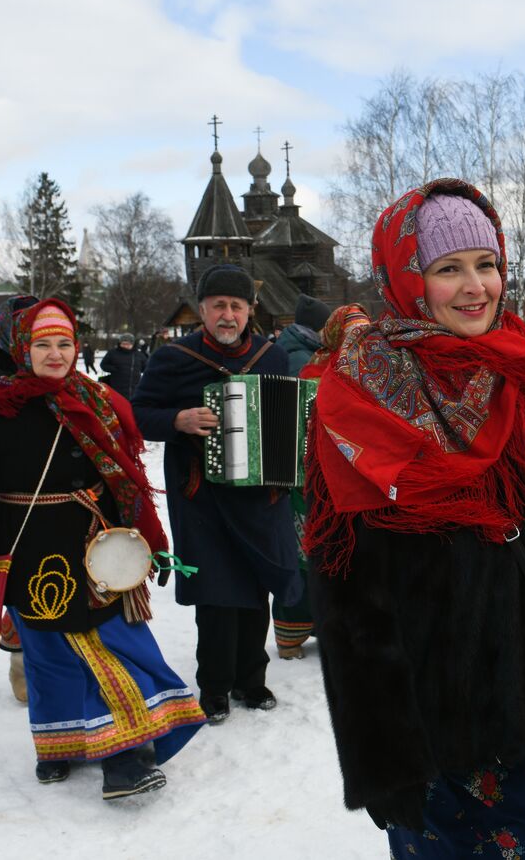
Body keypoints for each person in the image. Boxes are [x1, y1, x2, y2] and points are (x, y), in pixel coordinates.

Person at [303, 179, 525, 858]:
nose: (475, 287)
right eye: (446, 269)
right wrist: (382, 761)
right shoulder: (356, 400)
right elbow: (349, 599)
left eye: (486, 264)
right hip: (442, 738)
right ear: (406, 279)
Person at [0, 299, 204, 798]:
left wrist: (150, 541)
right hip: (31, 555)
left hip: (95, 549)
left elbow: (125, 479)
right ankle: (59, 745)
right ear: (21, 348)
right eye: (43, 344)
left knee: (116, 647)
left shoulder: (96, 399)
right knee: (49, 655)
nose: (56, 354)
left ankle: (125, 756)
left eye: (64, 343)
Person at [131, 264, 303, 723]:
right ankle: (215, 687)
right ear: (202, 309)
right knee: (216, 592)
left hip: (261, 495)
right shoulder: (174, 359)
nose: (228, 315)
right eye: (219, 305)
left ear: (250, 310)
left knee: (256, 585)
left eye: (237, 306)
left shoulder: (272, 356)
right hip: (201, 496)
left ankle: (253, 679)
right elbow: (139, 413)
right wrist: (178, 420)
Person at [269, 301, 365, 661]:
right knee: (308, 554)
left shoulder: (359, 366)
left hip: (345, 482)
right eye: (353, 334)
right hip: (310, 479)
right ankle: (295, 632)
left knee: (337, 557)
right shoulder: (310, 368)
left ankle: (331, 630)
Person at [276, 294, 331, 374]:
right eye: (326, 326)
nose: (328, 331)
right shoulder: (300, 360)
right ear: (316, 327)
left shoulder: (300, 345)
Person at [100, 333, 147, 399]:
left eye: (128, 344)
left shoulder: (139, 355)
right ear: (120, 343)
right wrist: (113, 369)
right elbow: (103, 365)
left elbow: (146, 368)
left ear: (133, 344)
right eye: (123, 344)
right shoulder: (112, 353)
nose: (125, 346)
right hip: (117, 387)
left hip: (134, 388)